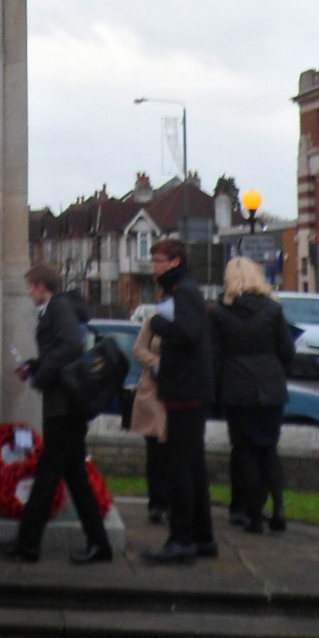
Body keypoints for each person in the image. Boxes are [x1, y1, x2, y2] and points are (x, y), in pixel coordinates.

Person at [0, 265, 113, 566]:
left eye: (31, 286)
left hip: (64, 406)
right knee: (74, 476)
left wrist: (42, 375)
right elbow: (59, 350)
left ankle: (28, 543)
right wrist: (35, 366)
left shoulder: (58, 306)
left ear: (41, 285)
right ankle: (98, 543)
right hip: (64, 404)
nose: (29, 292)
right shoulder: (57, 308)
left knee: (49, 474)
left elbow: (71, 346)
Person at [142, 236, 217, 566]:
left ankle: (182, 538)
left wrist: (158, 323)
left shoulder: (183, 291)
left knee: (181, 467)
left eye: (158, 261)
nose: (154, 267)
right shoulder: (184, 289)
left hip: (185, 390)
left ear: (174, 262)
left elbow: (188, 333)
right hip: (187, 388)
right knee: (194, 466)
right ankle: (203, 538)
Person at [208, 256, 293, 535]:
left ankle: (253, 515)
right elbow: (288, 350)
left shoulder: (220, 313)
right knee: (269, 448)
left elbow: (214, 356)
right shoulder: (272, 309)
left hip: (237, 388)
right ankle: (278, 507)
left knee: (245, 452)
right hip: (271, 387)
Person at [128, 240, 178, 525]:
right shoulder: (153, 319)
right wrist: (155, 361)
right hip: (153, 392)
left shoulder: (186, 321)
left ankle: (171, 500)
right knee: (154, 453)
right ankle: (156, 503)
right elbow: (139, 349)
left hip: (176, 392)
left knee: (172, 452)